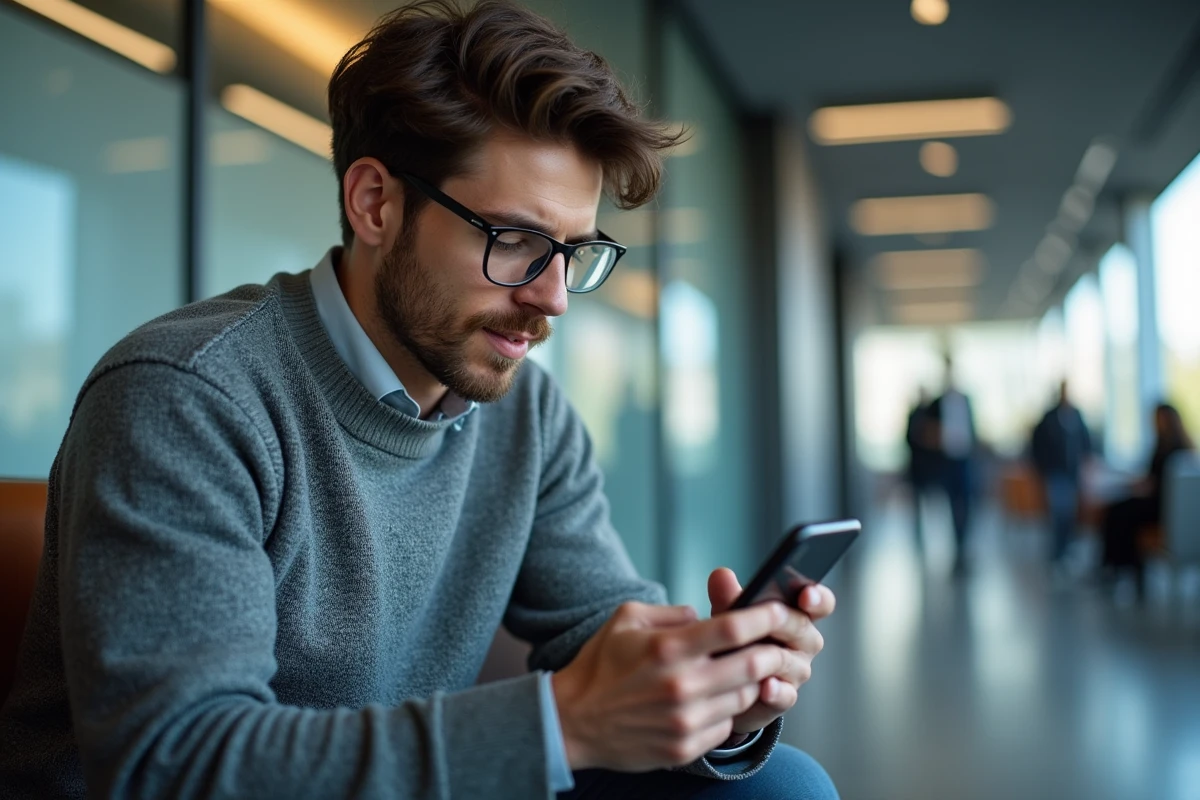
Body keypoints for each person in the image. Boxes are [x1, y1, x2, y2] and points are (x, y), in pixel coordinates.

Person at [0, 3, 839, 798]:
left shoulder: (528, 415)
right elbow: (171, 765)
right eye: (515, 241)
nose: (553, 299)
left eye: (574, 254)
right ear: (375, 203)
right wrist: (565, 722)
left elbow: (602, 631)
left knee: (783, 784)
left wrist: (717, 699)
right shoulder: (187, 396)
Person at [1100, 403, 1195, 594]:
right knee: (1119, 509)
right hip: (1162, 502)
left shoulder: (1174, 449)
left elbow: (1156, 484)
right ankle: (1120, 567)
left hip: (1164, 506)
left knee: (1120, 513)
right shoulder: (1168, 445)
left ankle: (1120, 568)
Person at [1031, 382, 1093, 571]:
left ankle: (1066, 552)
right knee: (1059, 514)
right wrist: (1042, 469)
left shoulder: (1077, 415)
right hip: (1055, 473)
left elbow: (1086, 441)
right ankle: (1057, 555)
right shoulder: (1049, 418)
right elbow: (1037, 445)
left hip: (1073, 473)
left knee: (1070, 515)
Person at [929, 358, 977, 574]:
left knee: (966, 505)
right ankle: (956, 547)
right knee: (951, 505)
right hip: (946, 462)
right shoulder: (937, 403)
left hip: (965, 460)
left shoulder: (967, 399)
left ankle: (963, 546)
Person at [905, 388, 938, 551]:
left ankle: (932, 534)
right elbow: (908, 440)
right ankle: (919, 537)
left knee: (933, 503)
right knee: (917, 506)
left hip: (930, 469)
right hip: (917, 469)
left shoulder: (932, 413)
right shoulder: (914, 414)